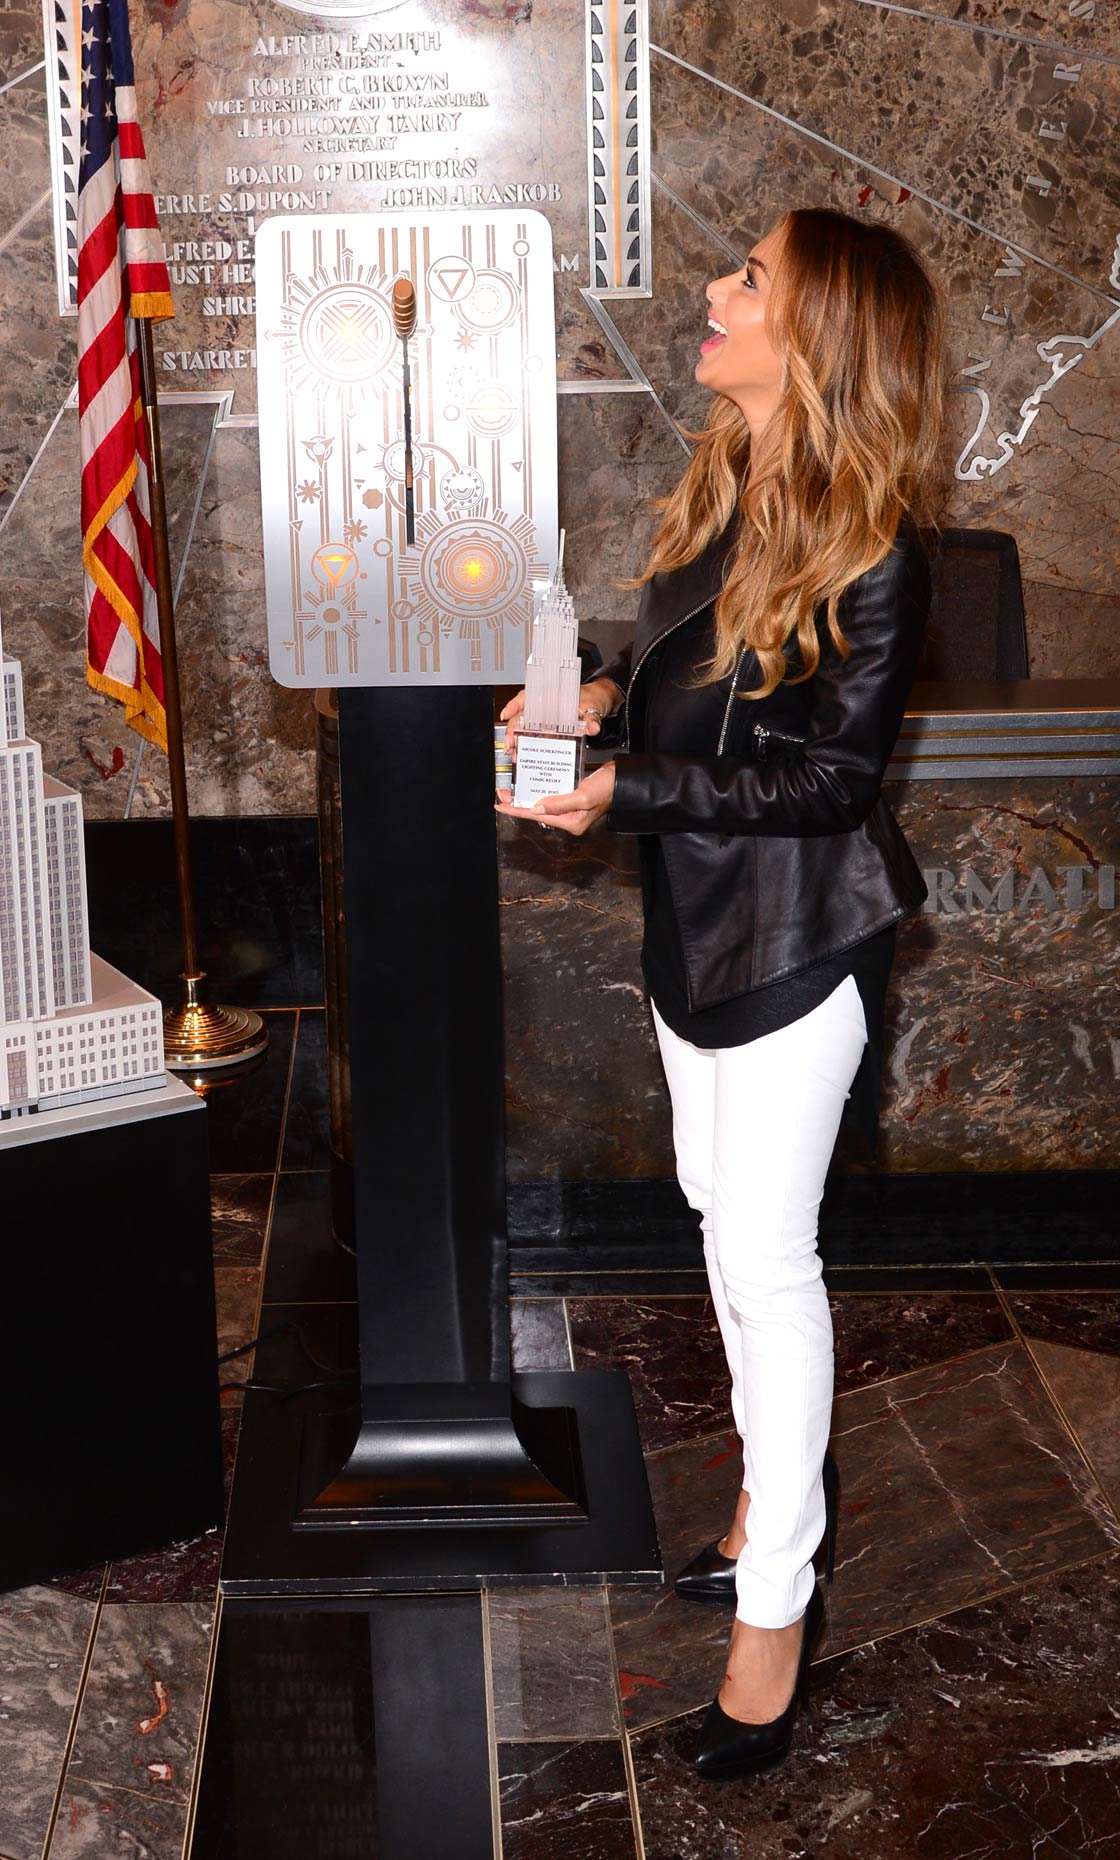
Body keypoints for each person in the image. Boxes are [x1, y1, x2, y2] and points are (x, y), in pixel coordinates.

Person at [497, 206, 948, 1780]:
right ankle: (767, 1502)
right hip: (696, 925)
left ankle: (777, 1612)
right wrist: (587, 703)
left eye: (748, 278)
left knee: (766, 1259)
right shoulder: (723, 484)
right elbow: (656, 657)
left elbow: (830, 787)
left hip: (801, 938)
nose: (713, 289)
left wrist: (622, 794)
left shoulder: (876, 543)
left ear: (815, 335)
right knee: (712, 1213)